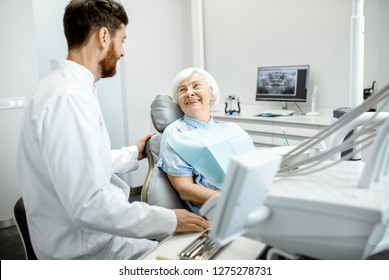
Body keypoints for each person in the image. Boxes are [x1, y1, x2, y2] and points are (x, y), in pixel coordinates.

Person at [17, 0, 209, 260]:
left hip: (96, 239)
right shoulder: (67, 98)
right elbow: (90, 204)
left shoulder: (61, 89)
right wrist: (170, 219)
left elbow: (80, 166)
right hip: (86, 253)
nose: (122, 52)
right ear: (104, 36)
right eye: (123, 40)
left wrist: (133, 153)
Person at [157, 68, 256, 214]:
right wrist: (233, 201)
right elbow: (185, 189)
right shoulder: (175, 133)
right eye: (182, 90)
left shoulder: (232, 129)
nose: (189, 93)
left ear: (211, 94)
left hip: (252, 198)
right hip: (222, 210)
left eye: (196, 86)